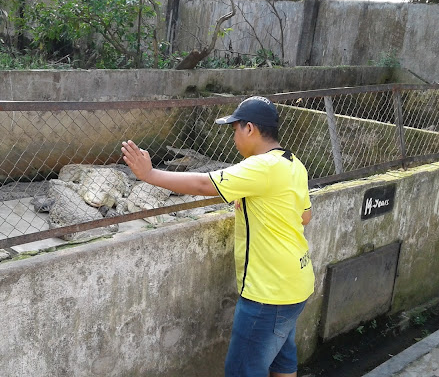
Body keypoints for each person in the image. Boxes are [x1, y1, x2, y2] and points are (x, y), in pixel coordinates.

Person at [120, 96, 314, 377]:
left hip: (268, 292)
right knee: (282, 360)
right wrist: (260, 205)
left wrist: (149, 174)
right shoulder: (293, 163)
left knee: (243, 370)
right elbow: (305, 216)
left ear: (250, 129)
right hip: (297, 281)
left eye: (235, 129)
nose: (234, 137)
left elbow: (202, 182)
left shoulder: (260, 167)